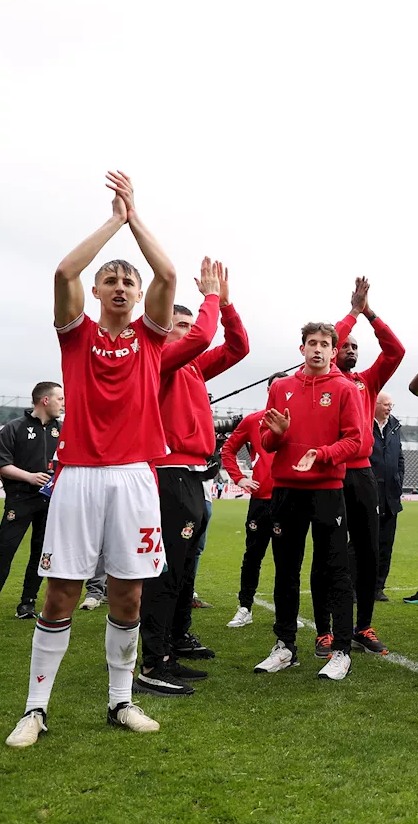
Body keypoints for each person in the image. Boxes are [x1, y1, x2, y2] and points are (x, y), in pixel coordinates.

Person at [7, 171, 175, 748]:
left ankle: (120, 701)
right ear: (98, 293)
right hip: (77, 475)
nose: (124, 285)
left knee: (129, 594)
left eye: (130, 278)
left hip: (133, 478)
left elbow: (169, 275)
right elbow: (62, 272)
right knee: (62, 592)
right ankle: (35, 709)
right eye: (112, 279)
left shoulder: (152, 337)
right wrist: (112, 223)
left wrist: (136, 218)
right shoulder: (76, 335)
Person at [135, 259, 249, 697]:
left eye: (188, 324)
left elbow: (237, 347)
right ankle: (154, 660)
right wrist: (211, 297)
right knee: (165, 572)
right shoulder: (159, 358)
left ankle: (167, 649)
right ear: (166, 330)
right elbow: (205, 335)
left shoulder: (192, 369)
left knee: (181, 569)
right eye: (178, 325)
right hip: (167, 473)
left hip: (190, 475)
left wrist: (229, 304)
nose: (188, 331)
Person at [252, 322, 363, 681]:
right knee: (285, 569)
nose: (317, 349)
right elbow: (266, 443)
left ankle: (341, 650)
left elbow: (355, 441)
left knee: (336, 570)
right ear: (302, 349)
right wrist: (278, 434)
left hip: (328, 491)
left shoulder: (346, 389)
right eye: (311, 343)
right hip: (285, 490)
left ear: (334, 351)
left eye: (324, 344)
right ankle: (285, 646)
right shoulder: (281, 387)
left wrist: (323, 454)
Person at [314, 277, 405, 658]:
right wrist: (352, 312)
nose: (350, 349)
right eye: (344, 345)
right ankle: (325, 631)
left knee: (368, 552)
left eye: (355, 347)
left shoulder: (366, 382)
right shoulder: (325, 380)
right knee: (328, 554)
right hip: (330, 474)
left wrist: (370, 313)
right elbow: (331, 335)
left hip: (363, 474)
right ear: (335, 351)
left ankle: (362, 626)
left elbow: (396, 350)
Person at [0, 382, 64, 624]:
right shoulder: (14, 428)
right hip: (20, 499)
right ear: (45, 400)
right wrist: (29, 476)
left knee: (40, 552)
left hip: (49, 501)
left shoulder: (62, 431)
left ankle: (27, 603)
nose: (63, 403)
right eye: (59, 398)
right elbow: (0, 464)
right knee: (4, 550)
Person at [221, 373, 288, 628]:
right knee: (253, 556)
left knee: (287, 560)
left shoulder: (300, 420)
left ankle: (286, 613)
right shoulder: (253, 420)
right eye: (275, 388)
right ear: (269, 390)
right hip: (261, 499)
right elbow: (227, 449)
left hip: (289, 498)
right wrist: (239, 478)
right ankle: (245, 607)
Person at [371, 391, 406, 601]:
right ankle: (354, 586)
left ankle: (378, 587)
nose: (389, 408)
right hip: (369, 491)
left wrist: (398, 479)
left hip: (391, 494)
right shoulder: (365, 422)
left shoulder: (395, 426)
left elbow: (399, 456)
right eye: (385, 404)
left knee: (386, 542)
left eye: (391, 405)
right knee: (362, 542)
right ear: (375, 404)